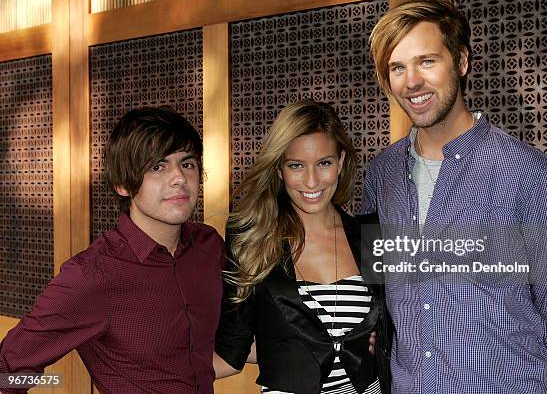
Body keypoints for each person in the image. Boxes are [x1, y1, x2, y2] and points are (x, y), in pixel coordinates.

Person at [362, 0, 547, 393]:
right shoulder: (381, 175)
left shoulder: (530, 173)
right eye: (397, 68)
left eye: (427, 61)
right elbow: (378, 289)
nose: (411, 82)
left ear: (460, 62)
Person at [0, 107, 224, 394]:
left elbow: (221, 345)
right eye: (158, 167)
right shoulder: (92, 275)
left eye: (188, 164)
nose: (179, 178)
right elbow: (7, 372)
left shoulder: (208, 247)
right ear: (122, 184)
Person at [214, 100, 386, 393]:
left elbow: (415, 312)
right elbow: (232, 349)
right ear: (279, 169)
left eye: (324, 163)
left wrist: (386, 339)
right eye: (296, 165)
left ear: (341, 161)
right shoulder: (250, 239)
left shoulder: (372, 234)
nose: (311, 181)